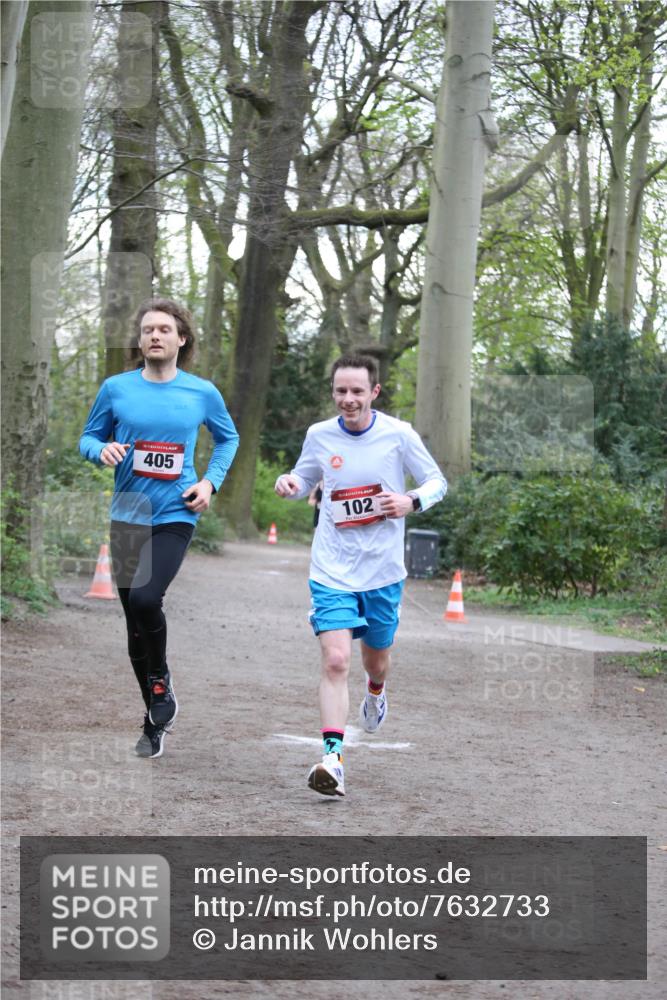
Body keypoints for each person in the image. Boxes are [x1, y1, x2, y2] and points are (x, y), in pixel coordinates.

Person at [275, 354, 446, 796]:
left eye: (356, 391)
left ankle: (376, 690)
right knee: (335, 659)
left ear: (374, 392)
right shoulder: (319, 435)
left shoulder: (398, 435)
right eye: (340, 391)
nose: (347, 400)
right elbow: (303, 478)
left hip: (383, 570)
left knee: (376, 660)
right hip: (332, 567)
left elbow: (436, 481)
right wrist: (290, 485)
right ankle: (332, 759)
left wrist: (411, 501)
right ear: (332, 392)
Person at [79, 297, 239, 758]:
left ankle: (160, 680)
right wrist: (100, 451)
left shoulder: (201, 393)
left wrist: (210, 482)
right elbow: (88, 437)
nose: (154, 335)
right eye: (148, 329)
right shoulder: (116, 389)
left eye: (164, 329)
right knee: (133, 623)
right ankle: (154, 715)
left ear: (181, 339)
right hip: (128, 512)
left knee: (148, 597)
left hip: (175, 513)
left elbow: (228, 438)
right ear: (140, 339)